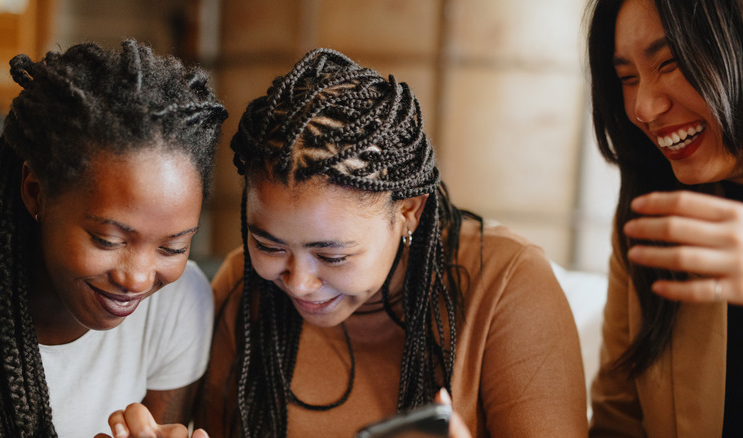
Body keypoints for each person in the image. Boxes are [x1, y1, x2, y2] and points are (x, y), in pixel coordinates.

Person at [194, 48, 587, 437]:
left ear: (409, 211)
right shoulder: (242, 291)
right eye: (270, 247)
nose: (298, 282)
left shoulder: (506, 286)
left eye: (332, 255)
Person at [0, 39, 228, 437]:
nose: (137, 278)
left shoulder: (177, 305)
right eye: (108, 239)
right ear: (36, 192)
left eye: (172, 247)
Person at [586, 0, 743, 436]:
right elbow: (617, 423)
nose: (645, 108)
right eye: (627, 79)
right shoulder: (649, 219)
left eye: (670, 63)